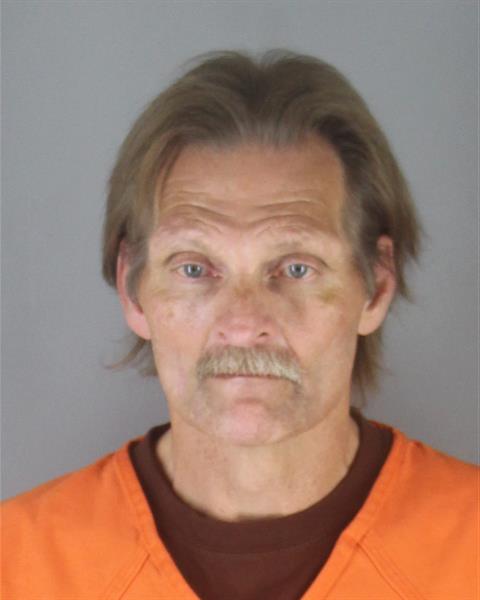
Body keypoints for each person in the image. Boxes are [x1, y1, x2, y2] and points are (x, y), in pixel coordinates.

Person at [2, 50, 476, 600]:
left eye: (296, 268)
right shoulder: (16, 562)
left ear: (377, 287)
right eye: (195, 269)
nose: (244, 324)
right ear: (133, 289)